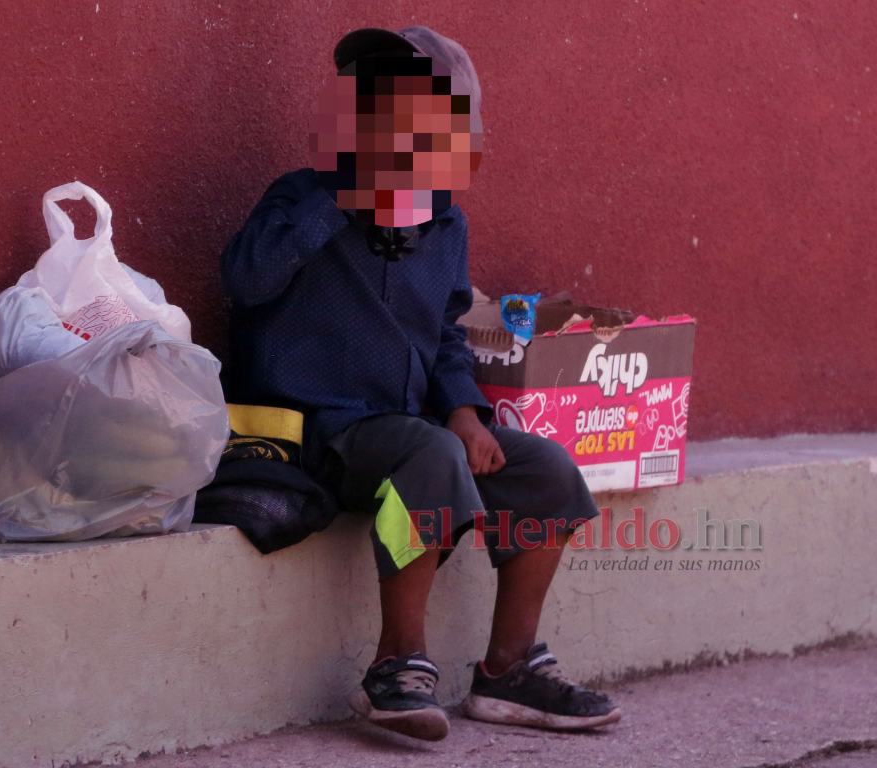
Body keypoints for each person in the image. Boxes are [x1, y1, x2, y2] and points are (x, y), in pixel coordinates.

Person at [220, 25, 621, 741]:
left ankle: (509, 669)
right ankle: (396, 666)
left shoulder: (446, 226)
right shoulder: (300, 199)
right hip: (311, 437)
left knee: (544, 469)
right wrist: (341, 200)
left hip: (404, 436)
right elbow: (247, 280)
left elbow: (444, 337)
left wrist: (466, 412)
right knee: (427, 455)